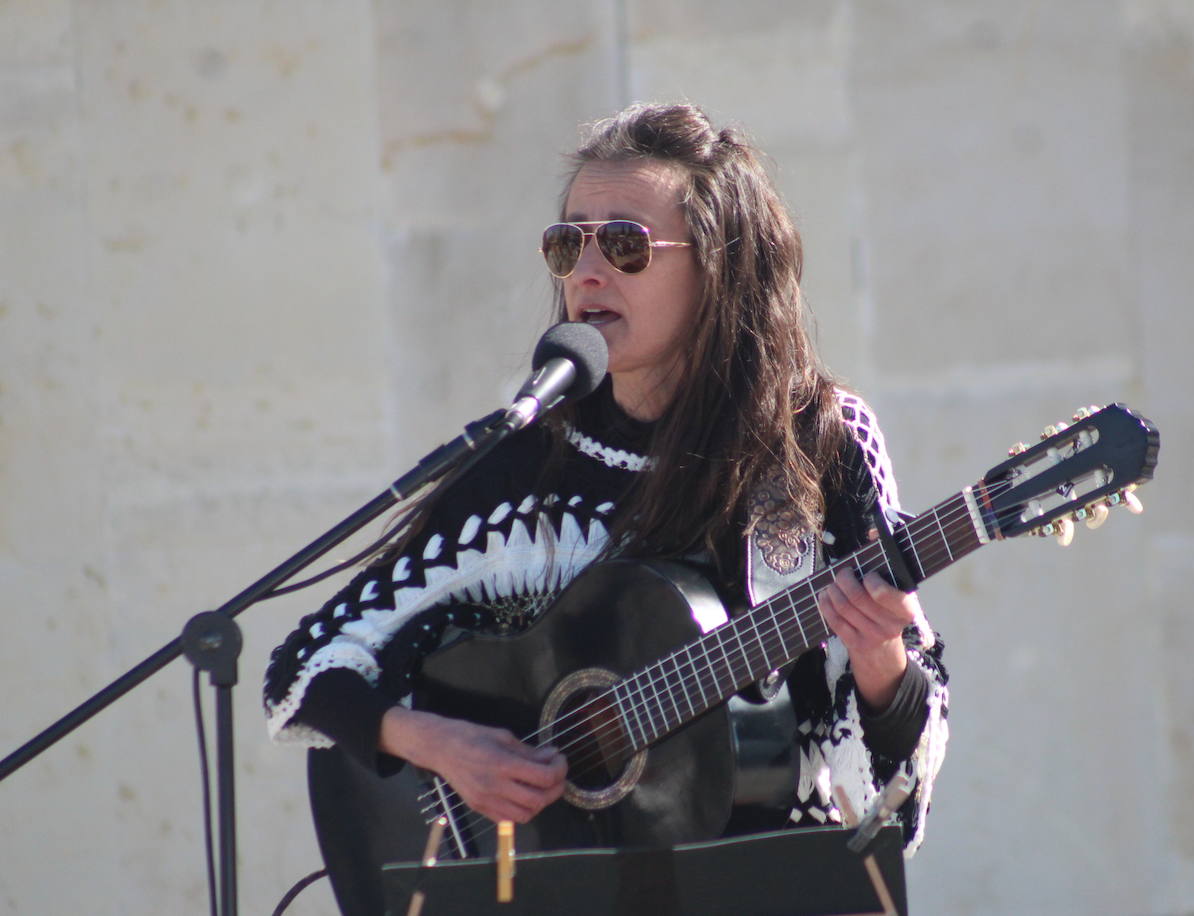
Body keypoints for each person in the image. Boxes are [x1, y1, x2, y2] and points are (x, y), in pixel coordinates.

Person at [263, 102, 949, 868]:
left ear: (721, 265)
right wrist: (439, 744)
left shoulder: (816, 445)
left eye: (625, 244)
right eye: (568, 244)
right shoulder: (521, 466)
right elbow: (308, 664)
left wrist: (880, 657)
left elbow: (901, 787)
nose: (587, 272)